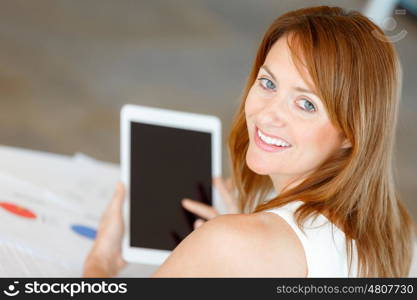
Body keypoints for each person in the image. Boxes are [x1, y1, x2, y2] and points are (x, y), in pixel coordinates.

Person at [83, 6, 417, 277]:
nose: (268, 114)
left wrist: (100, 263)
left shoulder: (230, 243)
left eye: (306, 104)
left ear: (351, 133)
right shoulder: (399, 236)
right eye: (269, 83)